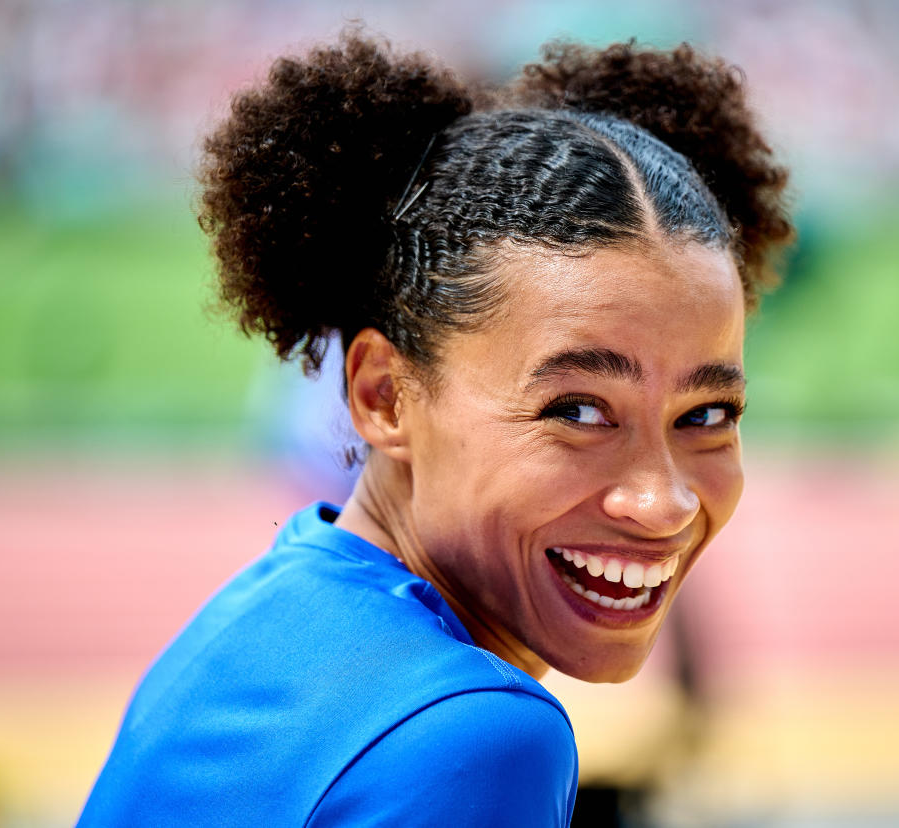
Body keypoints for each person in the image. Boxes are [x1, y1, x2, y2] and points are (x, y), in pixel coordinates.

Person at [78, 27, 791, 827]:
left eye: (706, 415)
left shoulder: (252, 616)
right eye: (579, 411)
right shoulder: (482, 737)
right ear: (384, 396)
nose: (664, 502)